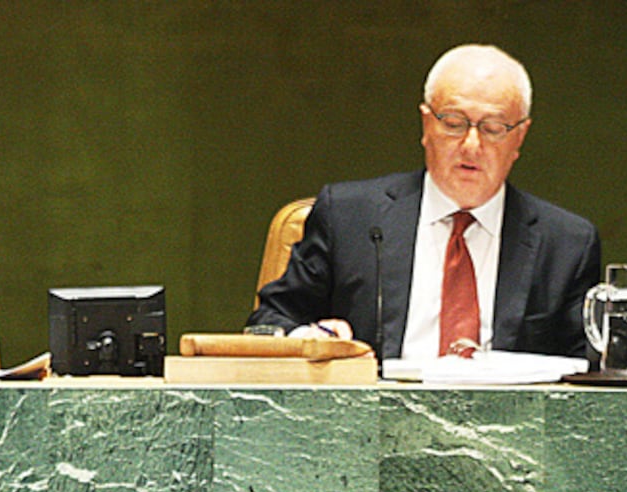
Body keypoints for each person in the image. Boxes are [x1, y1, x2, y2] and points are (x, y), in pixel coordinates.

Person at [248, 44, 601, 361]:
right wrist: (309, 337)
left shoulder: (567, 244)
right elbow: (269, 321)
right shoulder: (347, 216)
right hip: (374, 411)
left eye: (493, 128)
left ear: (519, 137)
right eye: (454, 123)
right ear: (426, 123)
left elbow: (586, 370)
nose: (471, 145)